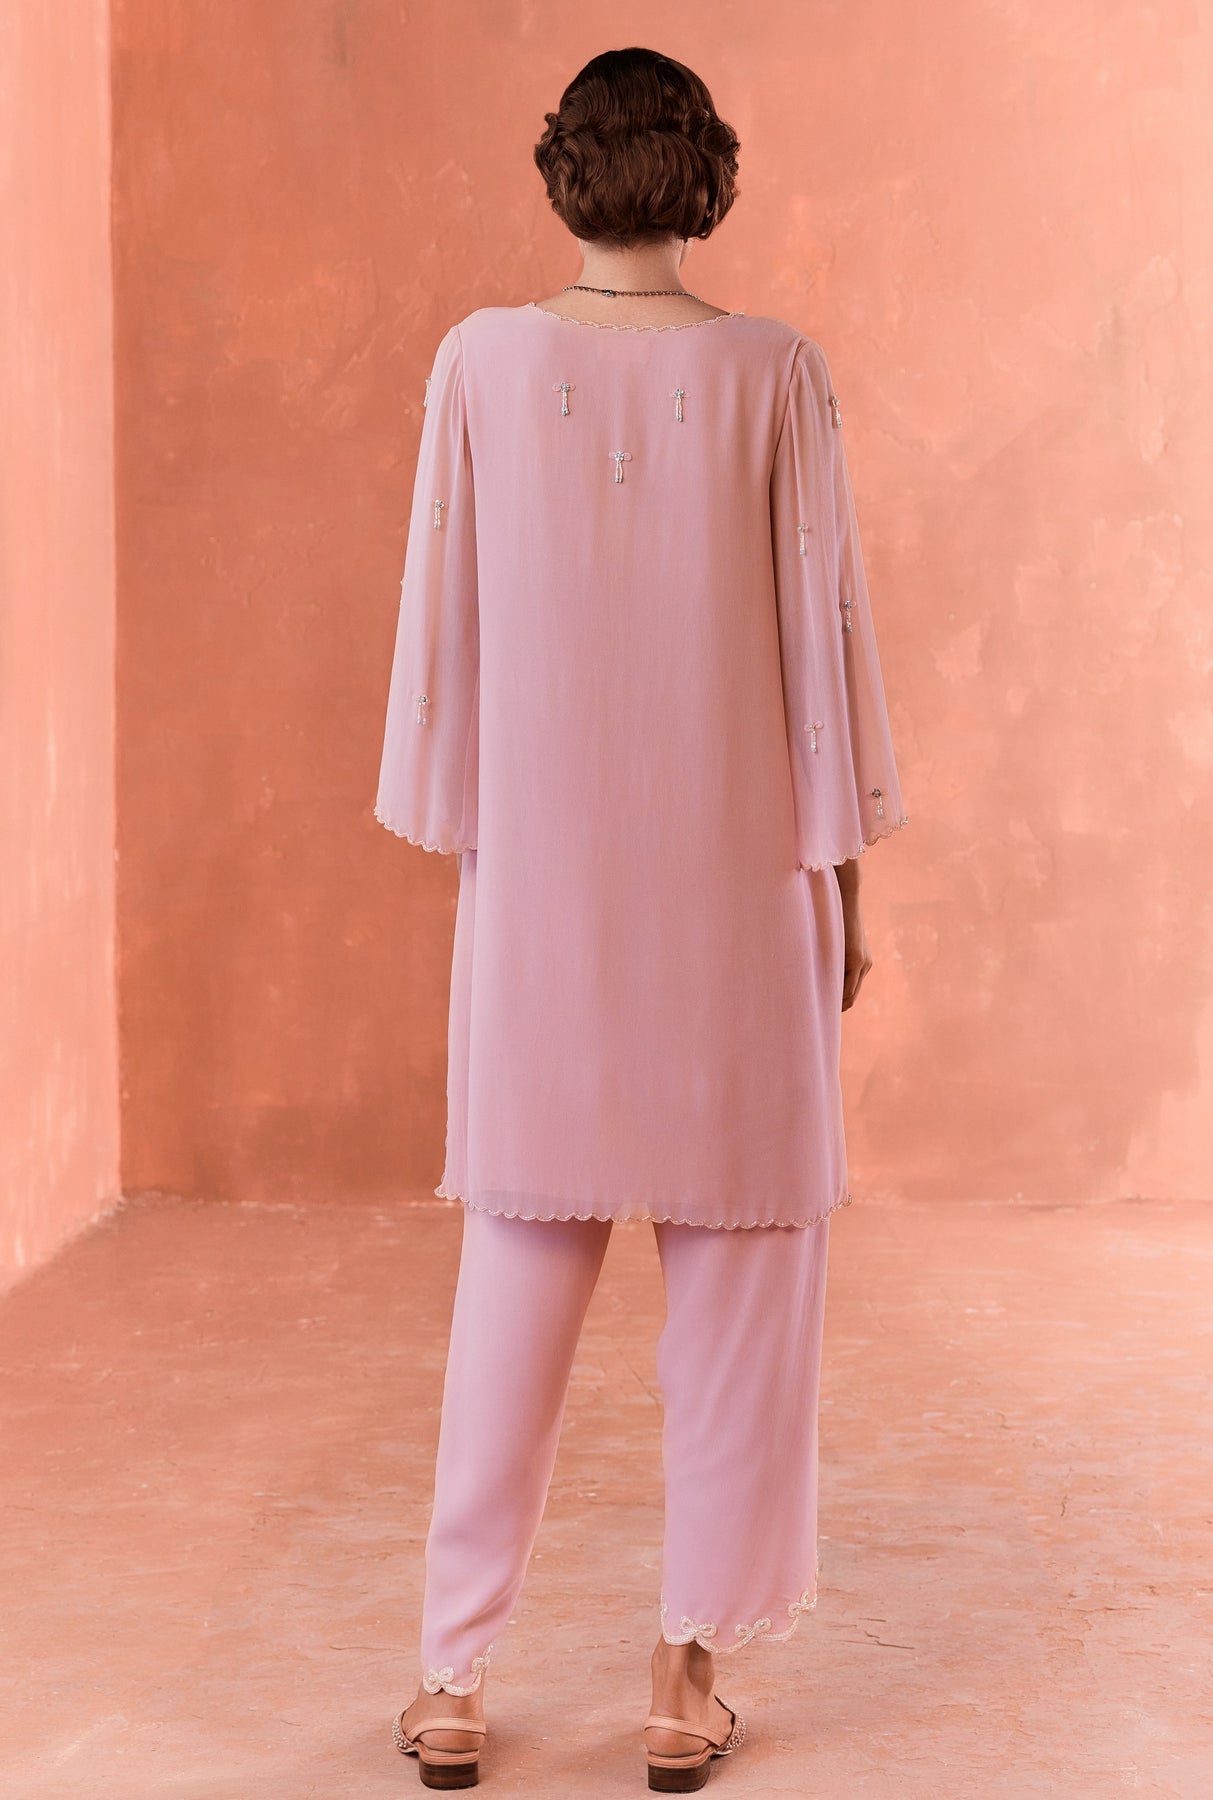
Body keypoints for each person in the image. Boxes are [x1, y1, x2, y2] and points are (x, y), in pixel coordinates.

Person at [374, 44, 908, 1792]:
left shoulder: (477, 361)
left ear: (562, 172)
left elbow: (444, 626)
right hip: (737, 885)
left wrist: (480, 844)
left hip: (542, 894)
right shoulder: (775, 372)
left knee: (513, 1277)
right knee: (744, 1283)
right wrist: (843, 886)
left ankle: (452, 1677)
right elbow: (821, 646)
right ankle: (684, 1682)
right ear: (706, 176)